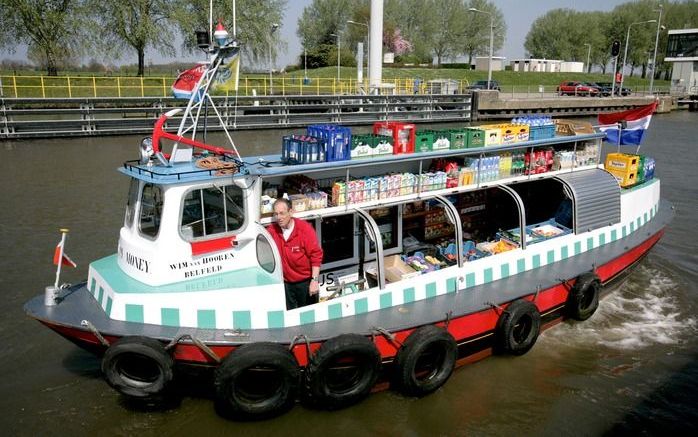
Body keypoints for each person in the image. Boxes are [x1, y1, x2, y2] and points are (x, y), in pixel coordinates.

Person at [267, 198, 323, 310]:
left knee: (309, 317)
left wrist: (314, 281)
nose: (279, 218)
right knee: (290, 317)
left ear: (291, 212)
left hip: (305, 282)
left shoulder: (304, 229)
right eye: (276, 214)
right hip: (286, 284)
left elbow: (316, 256)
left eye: (282, 213)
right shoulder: (272, 231)